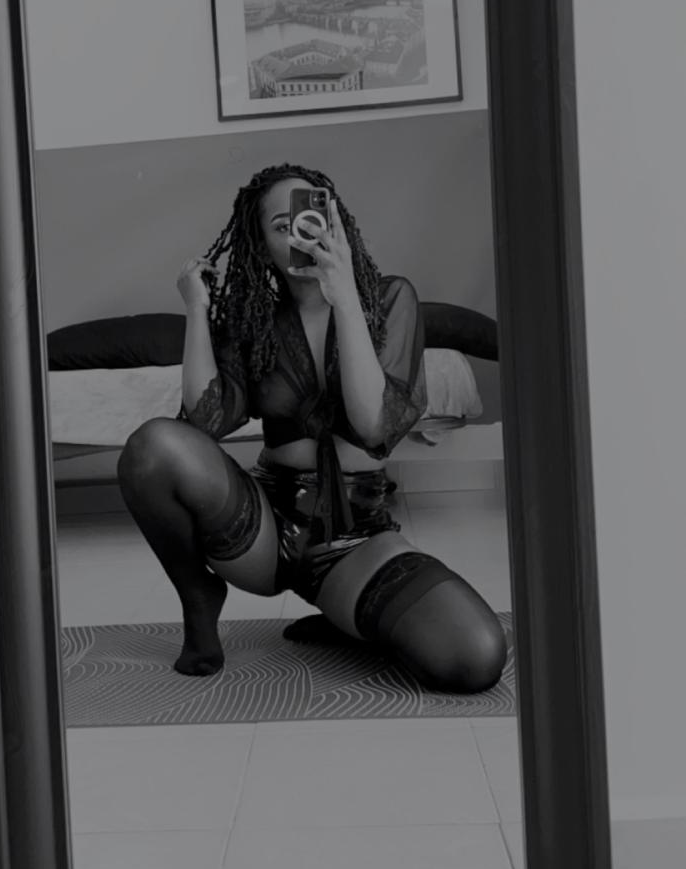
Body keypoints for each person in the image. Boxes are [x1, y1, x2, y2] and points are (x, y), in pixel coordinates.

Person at [117, 163, 507, 691]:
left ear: (334, 223)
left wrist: (343, 295)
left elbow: (373, 427)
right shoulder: (254, 321)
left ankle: (345, 613)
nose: (299, 235)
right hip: (264, 528)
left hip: (357, 540)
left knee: (475, 657)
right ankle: (198, 600)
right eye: (281, 226)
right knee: (152, 446)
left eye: (309, 219)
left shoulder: (390, 300)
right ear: (262, 247)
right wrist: (196, 311)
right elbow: (205, 419)